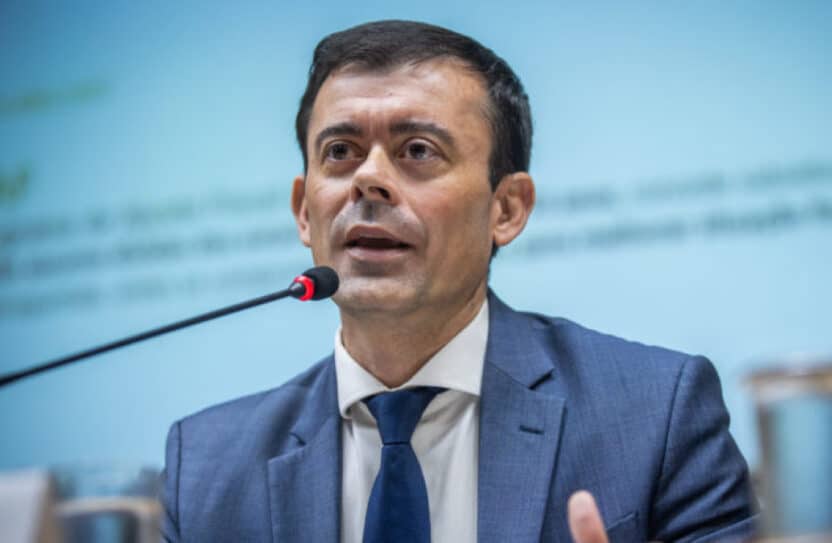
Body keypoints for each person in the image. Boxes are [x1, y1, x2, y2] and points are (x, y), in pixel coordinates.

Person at [161, 20, 757, 542]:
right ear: (302, 211)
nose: (368, 179)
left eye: (418, 151)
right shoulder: (206, 471)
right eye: (340, 151)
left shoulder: (657, 414)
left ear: (507, 209)